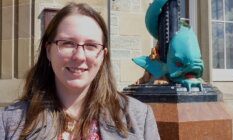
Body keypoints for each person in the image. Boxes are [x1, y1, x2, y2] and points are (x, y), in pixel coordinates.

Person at [0, 2, 160, 140]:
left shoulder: (138, 117)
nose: (79, 56)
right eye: (68, 43)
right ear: (49, 51)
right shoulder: (9, 122)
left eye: (91, 46)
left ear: (103, 56)